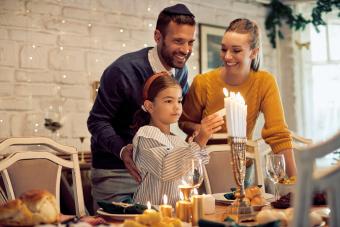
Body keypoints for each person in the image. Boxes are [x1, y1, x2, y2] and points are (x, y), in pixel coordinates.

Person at [87, 4, 196, 208]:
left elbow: (182, 113)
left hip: (158, 171)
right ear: (157, 36)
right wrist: (122, 151)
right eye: (178, 41)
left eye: (191, 42)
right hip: (117, 173)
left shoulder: (181, 72)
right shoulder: (122, 71)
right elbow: (97, 120)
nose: (186, 50)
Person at [179, 18, 297, 178]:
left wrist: (295, 181)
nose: (227, 56)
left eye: (236, 50)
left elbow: (278, 134)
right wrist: (199, 129)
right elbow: (184, 122)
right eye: (223, 49)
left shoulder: (264, 82)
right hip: (204, 167)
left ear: (253, 52)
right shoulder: (202, 82)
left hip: (243, 168)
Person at [131, 72, 224, 206]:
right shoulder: (146, 134)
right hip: (151, 213)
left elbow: (194, 175)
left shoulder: (178, 141)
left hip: (178, 211)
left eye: (179, 101)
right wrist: (199, 142)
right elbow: (165, 168)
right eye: (169, 101)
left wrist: (199, 144)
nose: (177, 107)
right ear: (149, 106)